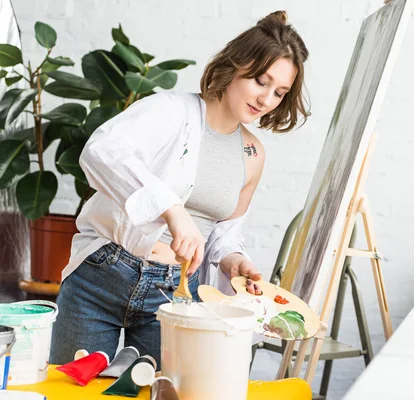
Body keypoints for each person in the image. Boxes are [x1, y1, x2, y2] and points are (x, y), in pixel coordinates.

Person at [49, 10, 310, 367]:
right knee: (71, 388)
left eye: (279, 93)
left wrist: (234, 261)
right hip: (101, 276)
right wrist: (171, 210)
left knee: (169, 390)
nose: (266, 100)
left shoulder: (252, 154)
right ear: (235, 65)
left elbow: (224, 233)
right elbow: (100, 151)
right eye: (261, 81)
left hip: (176, 294)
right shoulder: (170, 111)